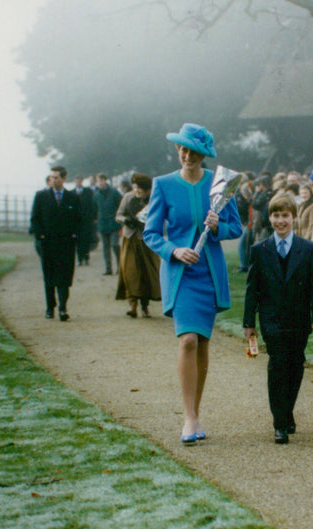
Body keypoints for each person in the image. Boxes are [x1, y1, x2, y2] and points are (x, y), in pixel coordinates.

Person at [143, 123, 242, 445]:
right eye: (182, 150)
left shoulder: (220, 183)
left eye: (193, 151)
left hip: (209, 274)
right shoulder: (163, 185)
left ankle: (196, 412)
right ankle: (188, 417)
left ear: (203, 154)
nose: (186, 155)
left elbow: (235, 227)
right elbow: (151, 233)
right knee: (187, 340)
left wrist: (217, 227)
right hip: (180, 273)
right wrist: (173, 250)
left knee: (202, 342)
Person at [243, 193, 313, 444]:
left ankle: (287, 410)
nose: (281, 221)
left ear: (294, 218)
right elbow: (252, 288)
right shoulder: (259, 250)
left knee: (295, 365)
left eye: (285, 216)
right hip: (272, 319)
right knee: (278, 365)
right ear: (270, 218)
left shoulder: (308, 249)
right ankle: (279, 422)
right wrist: (249, 323)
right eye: (276, 215)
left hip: (299, 319)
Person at [30, 166, 81, 321]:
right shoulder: (41, 196)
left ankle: (63, 307)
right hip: (48, 243)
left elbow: (79, 219)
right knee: (49, 276)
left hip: (66, 243)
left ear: (64, 178)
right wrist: (41, 236)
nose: (53, 180)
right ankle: (49, 307)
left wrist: (74, 235)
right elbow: (35, 218)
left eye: (57, 177)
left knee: (64, 276)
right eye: (51, 177)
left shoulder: (72, 197)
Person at [115, 173, 161, 318]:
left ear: (147, 189)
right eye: (135, 187)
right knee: (130, 272)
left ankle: (145, 306)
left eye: (140, 188)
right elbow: (118, 215)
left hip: (147, 240)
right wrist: (126, 220)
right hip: (130, 239)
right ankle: (132, 305)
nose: (137, 190)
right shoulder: (128, 197)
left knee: (147, 272)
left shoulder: (154, 198)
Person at [94, 173, 122, 275]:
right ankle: (108, 268)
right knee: (105, 248)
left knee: (115, 245)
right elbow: (94, 209)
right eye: (98, 181)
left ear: (106, 180)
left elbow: (121, 205)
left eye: (102, 180)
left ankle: (120, 266)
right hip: (102, 224)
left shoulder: (114, 192)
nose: (100, 183)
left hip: (113, 224)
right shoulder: (96, 195)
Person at [73, 175, 97, 266]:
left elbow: (92, 205)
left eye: (79, 181)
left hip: (86, 220)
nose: (78, 182)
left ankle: (86, 258)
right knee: (78, 241)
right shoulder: (72, 193)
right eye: (76, 181)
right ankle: (80, 259)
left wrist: (93, 217)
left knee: (86, 240)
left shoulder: (88, 192)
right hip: (76, 221)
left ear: (82, 181)